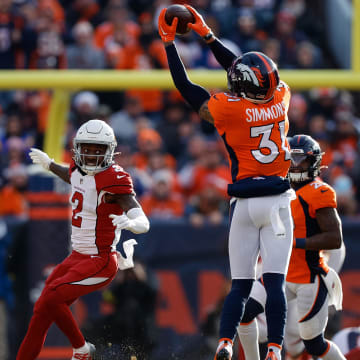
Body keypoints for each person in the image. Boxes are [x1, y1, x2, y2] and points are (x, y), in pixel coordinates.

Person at [158, 6, 294, 360]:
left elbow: (186, 87)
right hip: (278, 200)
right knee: (275, 283)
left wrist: (170, 44)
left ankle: (224, 343)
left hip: (244, 204)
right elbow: (240, 70)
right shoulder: (282, 98)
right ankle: (275, 349)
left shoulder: (228, 109)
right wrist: (208, 35)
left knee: (240, 285)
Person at [17, 119, 150, 360]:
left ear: (109, 151)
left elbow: (142, 219)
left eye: (97, 149)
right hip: (76, 257)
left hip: (100, 260)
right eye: (86, 148)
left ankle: (81, 349)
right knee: (40, 312)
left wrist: (132, 223)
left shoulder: (114, 180)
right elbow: (73, 177)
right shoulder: (78, 170)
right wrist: (49, 164)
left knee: (54, 295)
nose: (90, 154)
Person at [237, 135, 346, 360]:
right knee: (243, 313)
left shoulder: (319, 192)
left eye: (301, 160)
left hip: (309, 278)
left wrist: (295, 242)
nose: (295, 166)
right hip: (279, 272)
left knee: (314, 345)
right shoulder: (276, 187)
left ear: (313, 162)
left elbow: (334, 239)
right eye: (291, 159)